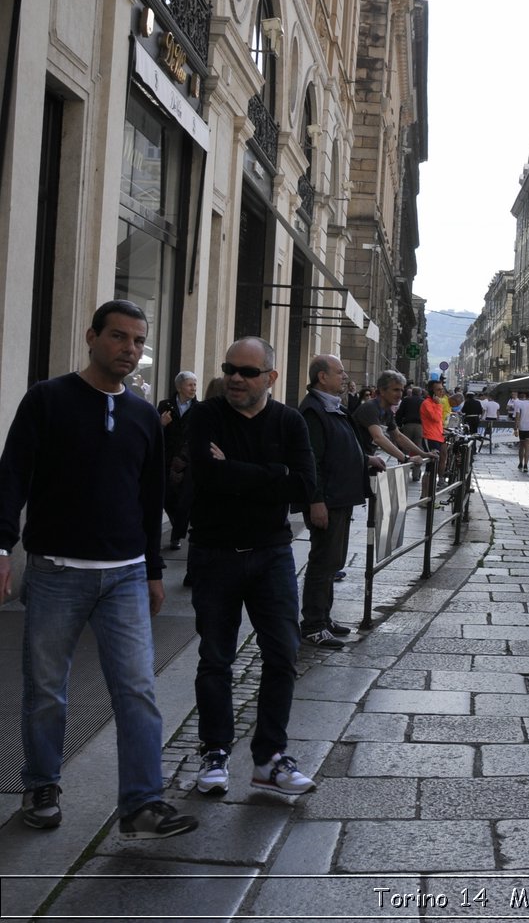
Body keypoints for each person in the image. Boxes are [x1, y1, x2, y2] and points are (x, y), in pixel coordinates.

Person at [0, 300, 199, 838]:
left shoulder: (141, 415)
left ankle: (141, 803)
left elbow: (149, 494)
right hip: (56, 572)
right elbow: (12, 475)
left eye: (137, 341)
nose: (129, 349)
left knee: (137, 690)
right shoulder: (47, 400)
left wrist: (154, 569)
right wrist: (0, 548)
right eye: (118, 337)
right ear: (92, 337)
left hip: (127, 575)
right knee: (46, 689)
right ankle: (42, 785)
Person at [187, 337, 318, 797]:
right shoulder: (205, 415)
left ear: (270, 377)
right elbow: (205, 474)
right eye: (229, 369)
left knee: (283, 655)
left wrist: (238, 471)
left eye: (246, 371)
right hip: (214, 553)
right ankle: (215, 751)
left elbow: (303, 484)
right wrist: (271, 474)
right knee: (215, 659)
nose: (235, 378)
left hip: (271, 554)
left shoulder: (288, 421)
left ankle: (269, 760)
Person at [297, 355, 386, 650]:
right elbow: (312, 460)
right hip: (329, 498)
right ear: (322, 377)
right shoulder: (314, 410)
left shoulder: (335, 406)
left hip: (341, 496)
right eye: (340, 372)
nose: (345, 376)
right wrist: (316, 500)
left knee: (334, 561)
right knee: (323, 562)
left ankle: (324, 616)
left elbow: (342, 446)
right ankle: (312, 625)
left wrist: (365, 459)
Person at [156, 371, 199, 551]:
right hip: (167, 459)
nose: (193, 388)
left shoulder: (199, 408)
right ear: (179, 387)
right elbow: (155, 431)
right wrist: (161, 423)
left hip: (186, 462)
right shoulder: (165, 405)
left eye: (195, 385)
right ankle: (177, 525)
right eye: (190, 385)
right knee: (167, 498)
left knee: (184, 501)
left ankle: (176, 535)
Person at [353, 371, 432, 470]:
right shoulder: (370, 408)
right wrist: (406, 458)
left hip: (364, 459)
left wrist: (423, 453)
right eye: (395, 390)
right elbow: (378, 438)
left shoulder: (387, 412)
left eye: (401, 390)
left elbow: (398, 436)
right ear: (382, 390)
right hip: (353, 460)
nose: (399, 394)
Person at [420, 380, 448, 455]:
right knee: (432, 463)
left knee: (443, 457)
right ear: (432, 391)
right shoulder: (427, 403)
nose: (441, 391)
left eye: (442, 389)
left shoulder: (437, 402)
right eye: (438, 390)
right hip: (430, 437)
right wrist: (438, 405)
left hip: (439, 436)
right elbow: (436, 418)